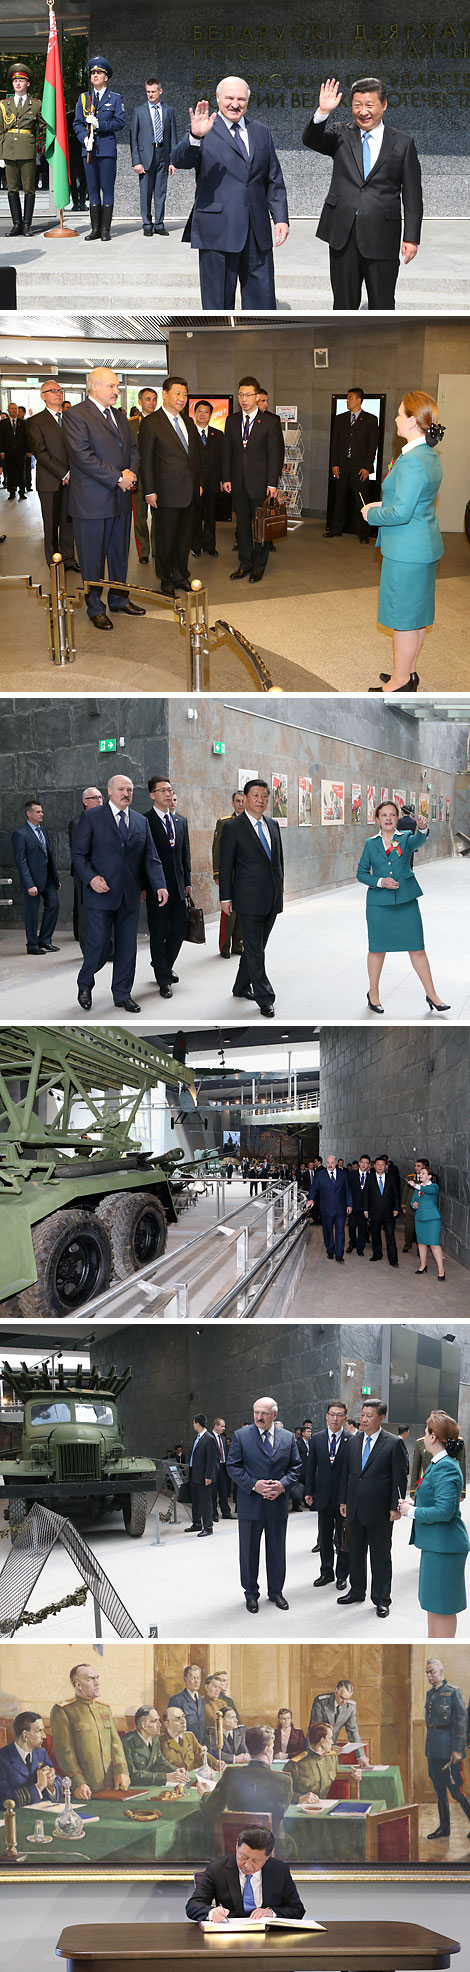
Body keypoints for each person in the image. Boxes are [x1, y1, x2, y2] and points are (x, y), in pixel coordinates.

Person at [302, 73, 422, 311]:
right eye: (357, 105)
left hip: (382, 235)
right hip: (343, 235)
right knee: (344, 304)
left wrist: (411, 237)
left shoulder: (403, 143)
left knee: (383, 303)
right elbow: (311, 140)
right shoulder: (340, 134)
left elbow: (412, 195)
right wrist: (323, 112)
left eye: (369, 105)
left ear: (384, 105)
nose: (363, 111)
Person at [170, 75, 289, 310]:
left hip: (257, 231)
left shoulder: (261, 132)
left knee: (262, 303)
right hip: (217, 230)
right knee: (217, 305)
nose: (235, 104)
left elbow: (273, 177)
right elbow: (179, 160)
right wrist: (195, 137)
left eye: (241, 99)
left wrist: (281, 217)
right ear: (218, 98)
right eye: (230, 98)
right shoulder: (203, 129)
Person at [363, 394, 445, 692]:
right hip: (423, 546)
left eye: (399, 414)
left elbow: (401, 512)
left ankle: (399, 683)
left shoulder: (412, 461)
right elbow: (415, 501)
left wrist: (372, 513)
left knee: (403, 619)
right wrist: (383, 502)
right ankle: (408, 673)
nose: (395, 419)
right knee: (417, 615)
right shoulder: (428, 455)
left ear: (412, 420)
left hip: (407, 552)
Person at [72, 771, 168, 1012]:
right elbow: (78, 855)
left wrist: (160, 885)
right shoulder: (92, 818)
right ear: (110, 792)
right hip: (100, 894)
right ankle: (85, 984)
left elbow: (151, 858)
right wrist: (91, 878)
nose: (126, 794)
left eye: (130, 790)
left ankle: (122, 994)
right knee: (99, 945)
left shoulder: (140, 821)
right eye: (122, 789)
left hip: (129, 895)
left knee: (127, 947)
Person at [64, 369, 144, 632]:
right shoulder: (76, 415)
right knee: (92, 558)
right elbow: (82, 456)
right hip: (92, 501)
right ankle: (95, 607)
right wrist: (117, 477)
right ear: (94, 387)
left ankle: (119, 599)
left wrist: (130, 473)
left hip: (119, 499)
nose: (116, 390)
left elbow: (132, 448)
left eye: (117, 386)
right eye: (111, 386)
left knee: (119, 554)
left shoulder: (119, 416)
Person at [357, 799, 450, 1014]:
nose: (388, 818)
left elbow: (419, 840)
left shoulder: (406, 838)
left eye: (392, 815)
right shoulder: (371, 844)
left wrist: (423, 827)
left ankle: (432, 995)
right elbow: (361, 873)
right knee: (377, 950)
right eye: (384, 815)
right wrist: (380, 881)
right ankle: (373, 995)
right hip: (379, 905)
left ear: (397, 818)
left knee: (417, 948)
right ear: (377, 819)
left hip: (406, 902)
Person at [227, 1396, 302, 1613]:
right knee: (249, 1551)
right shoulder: (241, 1436)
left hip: (277, 1505)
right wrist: (254, 1485)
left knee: (277, 1550)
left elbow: (296, 1467)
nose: (259, 1417)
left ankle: (276, 1592)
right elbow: (233, 1466)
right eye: (256, 1412)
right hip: (251, 1504)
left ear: (274, 1415)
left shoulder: (287, 1438)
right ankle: (251, 1594)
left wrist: (282, 1486)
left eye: (264, 1413)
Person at [399, 1411, 470, 1638]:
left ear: (433, 1437)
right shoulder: (438, 1463)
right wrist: (413, 1502)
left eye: (426, 1431)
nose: (424, 1435)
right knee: (432, 1604)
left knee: (443, 1606)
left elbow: (445, 1511)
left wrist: (413, 1512)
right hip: (436, 1545)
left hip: (445, 1547)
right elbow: (435, 1497)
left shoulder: (447, 1466)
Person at [219, 778, 284, 1016]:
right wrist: (225, 897)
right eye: (255, 795)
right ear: (245, 798)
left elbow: (278, 863)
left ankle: (240, 986)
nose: (260, 800)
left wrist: (281, 891)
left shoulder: (273, 825)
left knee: (257, 946)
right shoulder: (233, 828)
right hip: (247, 899)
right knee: (256, 949)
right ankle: (264, 996)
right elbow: (226, 866)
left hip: (272, 898)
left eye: (264, 796)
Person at [338, 1397, 408, 1618]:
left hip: (380, 1512)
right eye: (362, 1415)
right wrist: (344, 1501)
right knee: (356, 1553)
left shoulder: (393, 1443)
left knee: (380, 1556)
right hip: (355, 1508)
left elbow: (399, 1479)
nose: (364, 1419)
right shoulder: (353, 1442)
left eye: (369, 1416)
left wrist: (396, 1507)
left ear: (381, 1418)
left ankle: (381, 1598)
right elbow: (347, 1475)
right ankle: (357, 1590)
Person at [139, 375, 202, 596]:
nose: (182, 398)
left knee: (184, 537)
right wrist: (149, 490)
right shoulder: (151, 423)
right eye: (177, 393)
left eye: (185, 394)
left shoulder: (189, 421)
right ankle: (166, 579)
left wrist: (199, 483)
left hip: (190, 491)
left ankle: (181, 574)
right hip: (165, 492)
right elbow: (145, 460)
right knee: (166, 538)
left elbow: (195, 456)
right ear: (165, 394)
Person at [222, 378, 282, 584]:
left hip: (261, 484)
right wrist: (226, 477)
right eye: (241, 395)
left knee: (261, 527)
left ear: (257, 397)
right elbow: (227, 451)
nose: (244, 399)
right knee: (242, 528)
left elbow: (275, 454)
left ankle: (259, 566)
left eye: (248, 395)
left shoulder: (270, 422)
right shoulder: (231, 420)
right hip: (238, 483)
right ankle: (244, 563)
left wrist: (272, 483)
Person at [186, 1825, 305, 1921]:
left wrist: (270, 1912)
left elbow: (297, 1909)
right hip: (230, 1938)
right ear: (237, 1846)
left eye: (255, 1861)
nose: (247, 1865)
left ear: (267, 1857)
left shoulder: (280, 1870)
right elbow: (193, 1905)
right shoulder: (217, 1869)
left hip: (268, 1938)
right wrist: (212, 1913)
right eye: (243, 1856)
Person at [198, 1727, 293, 1845]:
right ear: (266, 1750)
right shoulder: (284, 1780)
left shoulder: (230, 1774)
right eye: (272, 1748)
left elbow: (210, 1810)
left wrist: (205, 1794)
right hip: (272, 1846)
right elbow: (279, 1817)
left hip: (238, 1845)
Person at [51, 1661, 130, 1797]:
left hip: (113, 1787)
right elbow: (64, 1751)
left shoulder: (105, 1709)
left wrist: (122, 1770)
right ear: (78, 1684)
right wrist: (77, 1782)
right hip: (85, 1790)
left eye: (97, 1678)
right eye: (90, 1679)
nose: (97, 1683)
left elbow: (115, 1744)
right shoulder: (63, 1710)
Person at [145, 773, 192, 998]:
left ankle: (163, 965)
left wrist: (188, 882)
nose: (168, 794)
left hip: (178, 886)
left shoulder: (178, 821)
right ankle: (163, 978)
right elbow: (142, 858)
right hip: (157, 888)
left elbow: (184, 855)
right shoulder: (145, 821)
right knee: (158, 932)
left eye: (170, 790)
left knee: (180, 928)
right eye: (163, 790)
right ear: (152, 794)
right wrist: (145, 887)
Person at [25, 380, 77, 570]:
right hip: (50, 480)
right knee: (51, 522)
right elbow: (40, 453)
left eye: (60, 390)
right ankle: (54, 561)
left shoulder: (71, 418)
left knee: (68, 521)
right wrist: (64, 472)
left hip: (73, 480)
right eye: (52, 391)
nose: (58, 393)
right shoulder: (35, 421)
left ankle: (69, 558)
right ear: (43, 396)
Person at [73, 57, 125, 241]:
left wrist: (100, 124)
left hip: (106, 150)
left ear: (106, 77)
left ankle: (106, 230)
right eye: (93, 73)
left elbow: (119, 123)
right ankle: (95, 229)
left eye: (99, 73)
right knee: (92, 189)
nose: (95, 76)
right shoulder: (84, 98)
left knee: (107, 189)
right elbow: (77, 123)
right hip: (88, 150)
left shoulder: (115, 98)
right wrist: (83, 137)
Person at [423, 1659, 470, 1841]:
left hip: (449, 1751)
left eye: (432, 1672)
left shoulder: (453, 1692)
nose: (429, 1676)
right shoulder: (430, 1694)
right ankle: (444, 1827)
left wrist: (458, 1750)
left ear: (441, 1672)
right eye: (427, 1672)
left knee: (456, 1791)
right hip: (433, 1750)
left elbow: (461, 1722)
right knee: (439, 1790)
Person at [305, 1401, 350, 1588]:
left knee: (343, 1538)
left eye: (339, 1415)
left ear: (345, 1418)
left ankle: (342, 1575)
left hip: (343, 1499)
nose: (335, 1418)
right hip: (323, 1496)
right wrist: (308, 1491)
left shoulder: (352, 1440)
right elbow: (310, 1467)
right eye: (332, 1414)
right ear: (326, 1416)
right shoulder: (316, 1439)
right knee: (324, 1537)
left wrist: (348, 1498)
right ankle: (326, 1572)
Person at [327, 389, 378, 542]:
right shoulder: (340, 419)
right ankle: (335, 529)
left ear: (359, 400)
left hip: (360, 467)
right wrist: (334, 464)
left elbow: (372, 445)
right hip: (342, 466)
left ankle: (363, 534)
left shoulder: (370, 419)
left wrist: (367, 466)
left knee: (361, 500)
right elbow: (334, 443)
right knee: (339, 498)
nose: (347, 401)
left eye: (350, 398)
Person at [12, 798, 60, 955]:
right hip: (32, 881)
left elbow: (49, 856)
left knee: (53, 905)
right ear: (29, 814)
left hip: (48, 879)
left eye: (42, 811)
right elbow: (21, 861)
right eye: (38, 812)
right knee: (32, 913)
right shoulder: (20, 834)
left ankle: (45, 940)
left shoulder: (43, 831)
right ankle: (32, 945)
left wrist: (55, 878)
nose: (42, 814)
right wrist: (29, 884)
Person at [130, 76, 177, 237]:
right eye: (148, 92)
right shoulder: (138, 111)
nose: (150, 95)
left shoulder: (168, 111)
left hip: (163, 154)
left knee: (160, 192)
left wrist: (173, 160)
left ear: (160, 91)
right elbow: (133, 138)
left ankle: (159, 224)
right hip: (145, 157)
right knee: (145, 193)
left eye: (153, 92)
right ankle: (147, 224)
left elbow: (173, 137)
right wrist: (136, 161)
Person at [0, 62, 42, 237]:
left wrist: (40, 148)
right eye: (15, 80)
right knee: (12, 188)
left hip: (27, 149)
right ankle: (16, 223)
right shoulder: (4, 104)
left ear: (28, 84)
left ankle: (27, 224)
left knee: (29, 188)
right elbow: (1, 130)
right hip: (9, 149)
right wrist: (0, 153)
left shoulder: (36, 105)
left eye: (21, 81)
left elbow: (43, 128)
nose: (17, 83)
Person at [0, 1711, 61, 1810]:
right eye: (39, 1731)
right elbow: (4, 1799)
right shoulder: (3, 1758)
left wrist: (51, 1785)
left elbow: (58, 1780)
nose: (44, 1736)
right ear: (25, 1735)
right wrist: (39, 1787)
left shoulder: (41, 1753)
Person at [69, 786, 103, 954]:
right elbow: (79, 853)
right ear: (85, 802)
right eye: (94, 798)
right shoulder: (77, 823)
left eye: (100, 797)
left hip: (103, 873)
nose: (98, 800)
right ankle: (88, 949)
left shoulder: (106, 820)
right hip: (85, 874)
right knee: (85, 913)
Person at [212, 792, 245, 960]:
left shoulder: (250, 823)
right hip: (229, 873)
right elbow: (216, 849)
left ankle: (238, 944)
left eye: (243, 801)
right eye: (237, 801)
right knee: (228, 910)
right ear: (233, 803)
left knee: (242, 910)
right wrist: (217, 873)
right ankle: (225, 945)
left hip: (245, 874)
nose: (240, 804)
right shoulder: (224, 823)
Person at [191, 400, 224, 558]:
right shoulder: (189, 434)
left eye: (206, 412)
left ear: (211, 415)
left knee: (211, 516)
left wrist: (224, 480)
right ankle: (196, 546)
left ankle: (210, 546)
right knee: (195, 516)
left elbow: (223, 459)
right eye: (199, 411)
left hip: (212, 483)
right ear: (195, 413)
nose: (202, 414)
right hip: (194, 483)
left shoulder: (218, 435)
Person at [309, 1680, 368, 1764]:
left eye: (347, 1699)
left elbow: (353, 1732)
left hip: (331, 1748)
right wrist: (329, 1747)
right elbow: (317, 1730)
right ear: (336, 1692)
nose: (344, 1702)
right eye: (342, 1697)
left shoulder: (350, 1707)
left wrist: (360, 1756)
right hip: (316, 1748)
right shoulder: (321, 1702)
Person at [307, 1154, 352, 1263]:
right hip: (326, 1209)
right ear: (325, 1163)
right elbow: (314, 1188)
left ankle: (339, 1254)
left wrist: (349, 1204)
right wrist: (311, 1199)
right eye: (328, 1163)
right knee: (327, 1231)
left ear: (336, 1163)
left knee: (340, 1232)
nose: (330, 1165)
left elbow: (348, 1190)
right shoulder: (320, 1175)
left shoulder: (343, 1174)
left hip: (340, 1209)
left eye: (332, 1163)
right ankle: (330, 1251)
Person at [122, 1706, 180, 1786]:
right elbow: (133, 1775)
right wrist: (166, 1777)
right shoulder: (127, 1742)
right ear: (144, 1726)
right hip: (133, 1789)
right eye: (155, 1721)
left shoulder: (154, 1740)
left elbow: (161, 1762)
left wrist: (177, 1771)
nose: (160, 1724)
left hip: (148, 1786)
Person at [410, 1157, 446, 1281]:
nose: (420, 1175)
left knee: (434, 1244)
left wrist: (416, 1185)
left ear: (429, 1176)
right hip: (419, 1218)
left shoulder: (433, 1187)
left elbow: (428, 1190)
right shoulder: (418, 1188)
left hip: (432, 1219)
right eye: (420, 1173)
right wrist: (413, 1205)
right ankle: (422, 1265)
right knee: (421, 1243)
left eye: (423, 1173)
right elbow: (413, 1202)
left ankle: (441, 1270)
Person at [133, 387, 158, 562]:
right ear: (140, 401)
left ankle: (157, 548)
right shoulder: (130, 424)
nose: (152, 403)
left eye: (155, 399)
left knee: (159, 518)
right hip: (138, 479)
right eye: (148, 399)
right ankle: (143, 551)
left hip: (159, 479)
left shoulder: (162, 422)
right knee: (140, 518)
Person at [284, 1721, 339, 1801]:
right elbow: (283, 1792)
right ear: (322, 1741)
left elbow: (341, 1778)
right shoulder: (295, 1764)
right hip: (303, 1809)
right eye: (330, 1738)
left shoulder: (332, 1758)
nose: (332, 1742)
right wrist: (299, 1798)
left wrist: (354, 1775)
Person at [363, 1156, 400, 1267]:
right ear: (374, 1166)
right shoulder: (369, 1178)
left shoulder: (392, 1178)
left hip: (389, 1213)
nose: (379, 1167)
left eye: (382, 1164)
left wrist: (396, 1208)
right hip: (374, 1212)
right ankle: (377, 1254)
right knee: (375, 1235)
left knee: (390, 1236)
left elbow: (397, 1195)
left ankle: (393, 1260)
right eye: (377, 1164)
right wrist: (365, 1209)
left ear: (386, 1166)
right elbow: (365, 1195)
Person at [160, 1704, 219, 1773]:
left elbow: (201, 1754)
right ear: (167, 1724)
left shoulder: (189, 1736)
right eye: (178, 1719)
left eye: (183, 1717)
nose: (183, 1721)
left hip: (192, 1778)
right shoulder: (160, 1741)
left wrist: (215, 1763)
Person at [186, 1411, 217, 1537]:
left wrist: (208, 1476)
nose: (193, 1425)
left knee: (205, 1501)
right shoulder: (197, 1438)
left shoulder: (209, 1438)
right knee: (196, 1501)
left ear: (198, 1423)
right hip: (195, 1474)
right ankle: (196, 1523)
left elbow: (211, 1460)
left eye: (193, 1423)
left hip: (204, 1476)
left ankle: (208, 1527)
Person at [411, 1435, 466, 1500]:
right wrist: (413, 1490)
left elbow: (461, 1465)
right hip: (427, 1487)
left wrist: (462, 1491)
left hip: (448, 1487)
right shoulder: (420, 1443)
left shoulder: (456, 1442)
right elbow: (415, 1468)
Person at [171, 1665, 206, 1743]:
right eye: (193, 1678)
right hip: (185, 1744)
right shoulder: (177, 1700)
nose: (196, 1681)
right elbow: (172, 1727)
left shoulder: (202, 1700)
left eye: (198, 1678)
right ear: (185, 1679)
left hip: (201, 1745)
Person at [1, 401, 28, 499]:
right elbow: (1, 438)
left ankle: (22, 492)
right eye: (11, 408)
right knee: (10, 473)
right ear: (8, 410)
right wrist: (2, 451)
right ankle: (11, 492)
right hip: (8, 453)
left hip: (20, 453)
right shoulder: (3, 423)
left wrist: (29, 450)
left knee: (21, 473)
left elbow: (27, 438)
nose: (14, 410)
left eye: (15, 409)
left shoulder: (23, 423)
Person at [347, 1155, 371, 1254]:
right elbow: (347, 1190)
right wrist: (348, 1204)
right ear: (359, 1163)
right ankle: (352, 1242)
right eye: (362, 1162)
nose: (364, 1164)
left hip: (365, 1208)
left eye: (366, 1163)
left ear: (369, 1165)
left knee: (362, 1229)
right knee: (351, 1226)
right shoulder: (351, 1174)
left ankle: (360, 1248)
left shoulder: (371, 1177)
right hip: (353, 1206)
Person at [212, 1417, 232, 1521]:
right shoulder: (209, 1438)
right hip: (213, 1469)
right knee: (213, 1492)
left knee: (224, 1491)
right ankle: (214, 1513)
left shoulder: (223, 1439)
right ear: (216, 1426)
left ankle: (226, 1512)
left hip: (223, 1467)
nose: (224, 1428)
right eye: (222, 1426)